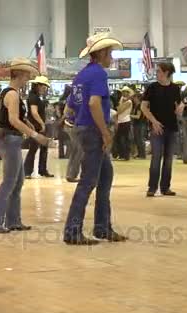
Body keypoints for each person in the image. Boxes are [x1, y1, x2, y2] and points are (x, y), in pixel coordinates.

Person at [63, 33, 128, 245]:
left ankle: (102, 228)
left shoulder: (81, 75)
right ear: (101, 53)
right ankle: (72, 231)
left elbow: (69, 108)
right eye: (110, 53)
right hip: (93, 130)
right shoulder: (99, 74)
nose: (112, 57)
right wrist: (104, 131)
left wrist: (76, 125)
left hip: (84, 129)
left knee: (105, 177)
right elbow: (93, 104)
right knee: (88, 181)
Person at [0, 58, 46, 233]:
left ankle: (13, 220)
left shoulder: (11, 93)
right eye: (26, 75)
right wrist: (34, 134)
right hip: (9, 140)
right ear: (18, 74)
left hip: (10, 139)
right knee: (10, 181)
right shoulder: (12, 94)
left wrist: (27, 122)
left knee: (17, 181)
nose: (27, 79)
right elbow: (12, 119)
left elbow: (13, 117)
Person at [141, 62, 185, 197]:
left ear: (166, 73)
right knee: (156, 157)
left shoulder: (175, 88)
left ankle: (165, 187)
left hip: (171, 127)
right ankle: (152, 187)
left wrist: (180, 108)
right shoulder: (152, 87)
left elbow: (179, 104)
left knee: (169, 159)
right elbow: (144, 107)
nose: (156, 73)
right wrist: (153, 122)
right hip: (156, 127)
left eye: (159, 71)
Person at [24, 76, 53, 178]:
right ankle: (27, 171)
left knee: (43, 148)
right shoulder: (33, 97)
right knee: (33, 149)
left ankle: (42, 170)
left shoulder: (36, 97)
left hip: (39, 127)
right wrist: (42, 123)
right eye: (44, 86)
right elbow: (34, 112)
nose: (45, 89)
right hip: (36, 127)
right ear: (38, 86)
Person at [63, 94, 83, 182]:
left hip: (72, 125)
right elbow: (67, 111)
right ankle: (71, 174)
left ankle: (71, 174)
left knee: (76, 150)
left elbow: (66, 112)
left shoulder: (72, 95)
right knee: (78, 150)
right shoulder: (76, 96)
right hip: (74, 125)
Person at [113, 86, 134, 161]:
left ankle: (125, 155)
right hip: (120, 121)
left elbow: (119, 110)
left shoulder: (129, 102)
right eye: (123, 92)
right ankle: (121, 154)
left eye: (125, 92)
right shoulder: (122, 100)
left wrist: (118, 108)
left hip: (125, 121)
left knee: (124, 139)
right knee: (119, 139)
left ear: (128, 93)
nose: (124, 93)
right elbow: (118, 109)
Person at [130, 92, 147, 159]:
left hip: (140, 124)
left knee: (140, 139)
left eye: (135, 98)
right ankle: (140, 153)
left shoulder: (139, 106)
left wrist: (129, 115)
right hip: (137, 124)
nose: (133, 99)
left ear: (138, 98)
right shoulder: (136, 106)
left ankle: (142, 155)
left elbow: (138, 116)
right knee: (137, 139)